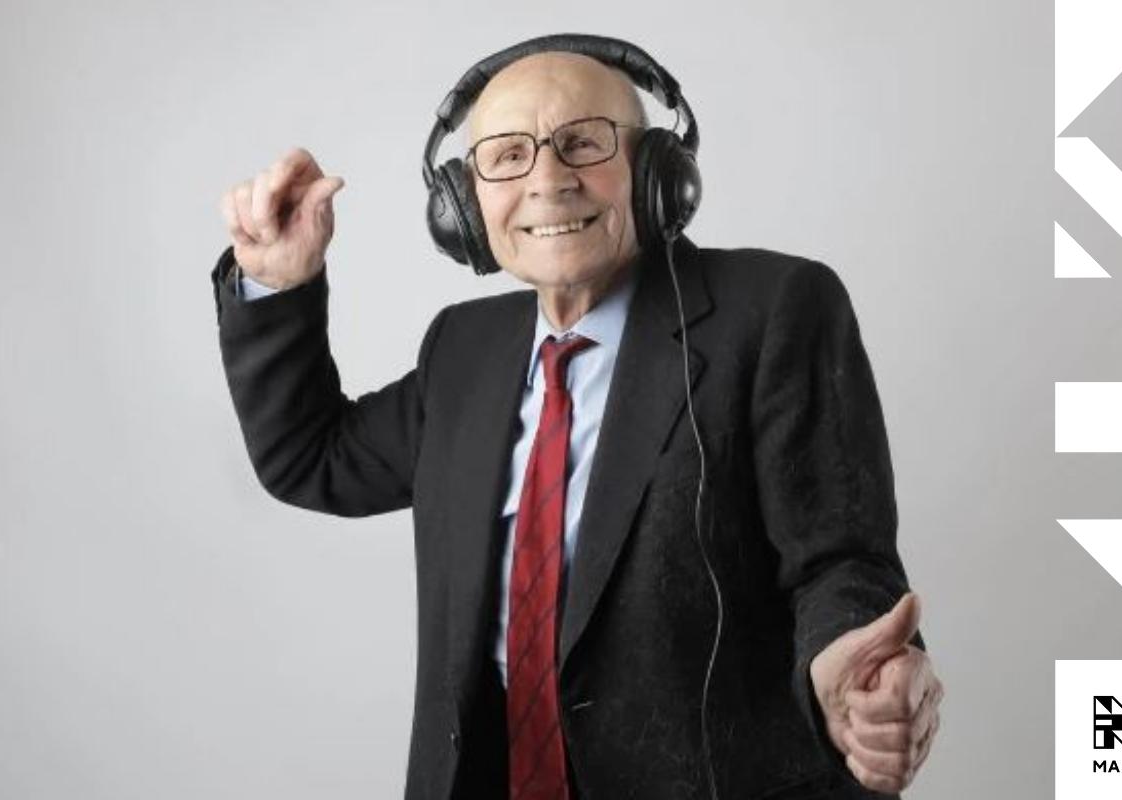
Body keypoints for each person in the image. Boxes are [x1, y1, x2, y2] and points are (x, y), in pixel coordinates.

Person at [212, 34, 942, 800]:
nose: (548, 181)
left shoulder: (775, 311)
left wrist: (848, 670)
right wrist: (276, 286)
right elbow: (311, 459)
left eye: (583, 143)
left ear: (658, 172)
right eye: (506, 156)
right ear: (461, 202)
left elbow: (838, 560)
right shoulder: (463, 348)